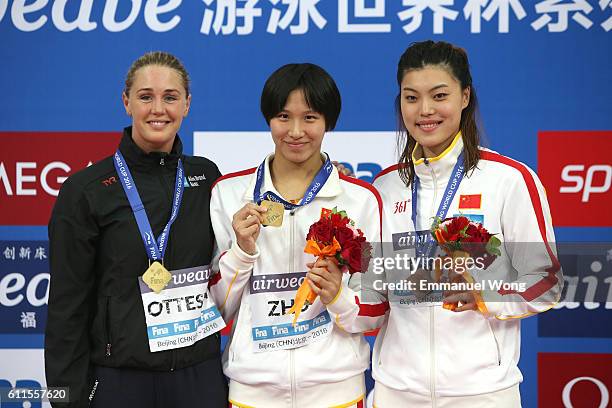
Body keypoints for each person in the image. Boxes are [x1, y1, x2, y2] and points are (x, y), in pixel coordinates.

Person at [364, 40, 563, 406]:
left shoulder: (508, 179)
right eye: (411, 98)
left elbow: (547, 281)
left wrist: (488, 295)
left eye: (439, 95)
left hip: (482, 394)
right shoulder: (383, 188)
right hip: (396, 393)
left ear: (465, 96)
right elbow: (372, 293)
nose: (425, 110)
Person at [45, 51, 228, 407]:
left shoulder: (207, 177)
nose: (158, 109)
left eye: (170, 97)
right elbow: (67, 307)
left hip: (199, 376)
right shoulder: (87, 190)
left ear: (187, 105)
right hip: (119, 380)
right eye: (146, 97)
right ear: (126, 102)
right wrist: (66, 399)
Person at [208, 63, 383, 407]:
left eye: (311, 118)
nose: (296, 131)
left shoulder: (360, 200)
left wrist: (337, 297)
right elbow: (216, 310)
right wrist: (242, 253)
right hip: (252, 392)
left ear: (329, 122)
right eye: (283, 117)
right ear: (268, 119)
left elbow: (374, 310)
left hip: (337, 391)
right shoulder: (229, 194)